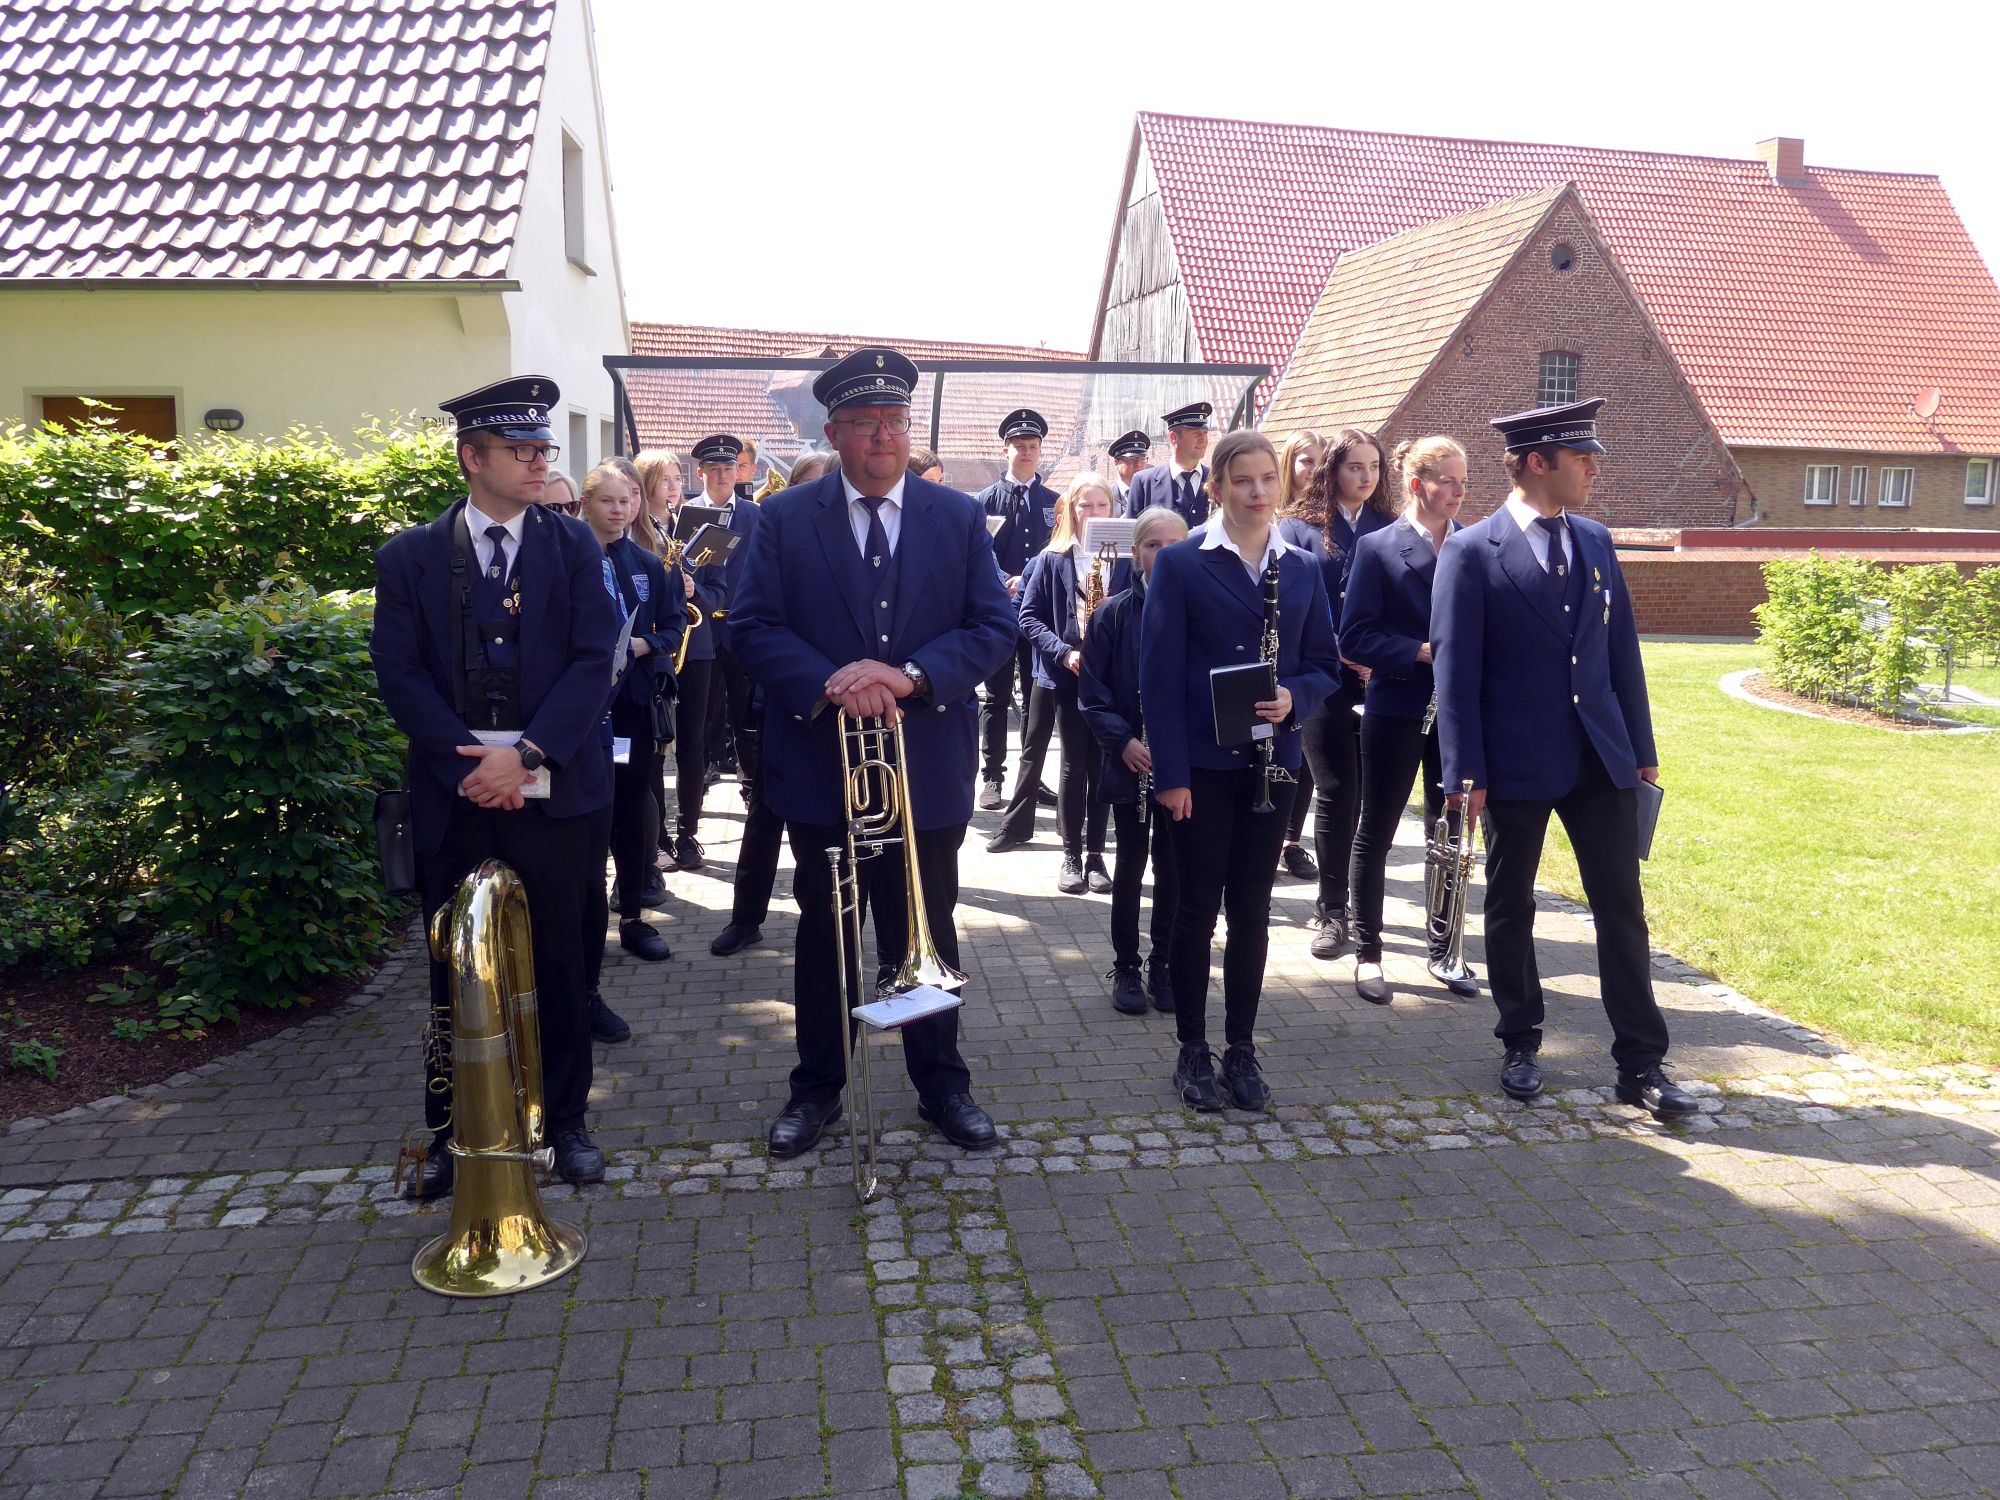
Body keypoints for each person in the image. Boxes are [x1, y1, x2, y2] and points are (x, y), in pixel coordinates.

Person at [730, 347, 1016, 1158]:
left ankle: (942, 1085)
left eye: (895, 420)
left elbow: (992, 627)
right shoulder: (785, 517)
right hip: (822, 767)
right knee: (824, 931)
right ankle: (816, 1088)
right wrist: (833, 683)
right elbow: (751, 626)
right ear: (834, 432)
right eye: (865, 422)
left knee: (924, 927)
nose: (884, 435)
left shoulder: (955, 516)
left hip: (923, 766)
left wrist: (910, 676)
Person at [370, 375, 616, 1196]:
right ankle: (453, 1133)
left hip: (555, 789)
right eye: (522, 449)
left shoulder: (573, 545)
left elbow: (594, 661)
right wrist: (474, 765)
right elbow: (400, 675)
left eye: (544, 447)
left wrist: (531, 754)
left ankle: (567, 1122)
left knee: (563, 961)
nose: (541, 460)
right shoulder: (408, 557)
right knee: (453, 967)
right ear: (472, 459)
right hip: (459, 795)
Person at [1432, 398, 1694, 1121]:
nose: (1592, 470)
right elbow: (1455, 671)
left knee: (1622, 908)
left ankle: (1641, 1063)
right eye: (1580, 458)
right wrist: (1464, 772)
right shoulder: (1471, 551)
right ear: (1535, 463)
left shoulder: (1596, 540)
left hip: (1600, 757)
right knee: (1511, 902)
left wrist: (1641, 751)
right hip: (1514, 760)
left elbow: (1621, 651)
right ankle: (1520, 1040)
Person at [1141, 429, 1341, 1112]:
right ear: (1218, 486)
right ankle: (1192, 1048)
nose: (1257, 492)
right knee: (1196, 910)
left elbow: (1324, 664)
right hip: (1200, 767)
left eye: (1266, 479)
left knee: (1252, 913)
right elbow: (1158, 677)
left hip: (1270, 767)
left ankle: (1242, 1047)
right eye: (1242, 480)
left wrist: (1293, 697)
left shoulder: (1303, 566)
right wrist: (1171, 775)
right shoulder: (1183, 563)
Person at [1339, 435, 1477, 1006]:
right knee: (1377, 828)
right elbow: (1354, 636)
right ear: (1418, 484)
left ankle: (1444, 949)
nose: (1459, 490)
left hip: (1458, 713)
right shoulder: (1377, 547)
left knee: (1449, 834)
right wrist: (1418, 651)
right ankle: (1368, 952)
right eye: (1448, 480)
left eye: (1463, 481)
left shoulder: (1473, 546)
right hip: (1397, 707)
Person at [710, 448, 839, 957]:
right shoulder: (780, 536)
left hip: (829, 712)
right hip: (778, 704)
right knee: (763, 816)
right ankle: (746, 918)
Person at [1291, 428, 1396, 961]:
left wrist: (1382, 652)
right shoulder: (1299, 527)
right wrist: (1340, 649)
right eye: (1356, 466)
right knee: (1335, 791)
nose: (1366, 476)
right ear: (1333, 469)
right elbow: (1294, 606)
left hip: (1382, 678)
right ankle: (1332, 911)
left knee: (1373, 799)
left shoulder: (1392, 528)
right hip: (1324, 678)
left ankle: (1363, 907)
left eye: (1374, 467)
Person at [576, 463, 682, 987]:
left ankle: (634, 916)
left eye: (628, 500)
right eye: (608, 501)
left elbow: (675, 625)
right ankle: (583, 919)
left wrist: (646, 644)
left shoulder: (646, 563)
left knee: (632, 807)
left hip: (632, 707)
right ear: (586, 503)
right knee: (589, 813)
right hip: (580, 711)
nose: (620, 510)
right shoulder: (568, 558)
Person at [985, 474, 1116, 892]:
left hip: (1110, 678)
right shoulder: (1051, 559)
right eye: (1084, 505)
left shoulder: (1125, 560)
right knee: (1074, 765)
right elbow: (1028, 617)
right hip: (1066, 674)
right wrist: (1064, 652)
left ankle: (1096, 855)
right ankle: (1071, 854)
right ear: (1070, 510)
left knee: (1102, 765)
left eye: (1101, 505)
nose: (1093, 513)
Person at [1080, 504, 1186, 1013]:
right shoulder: (1112, 613)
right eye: (1152, 545)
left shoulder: (1200, 611)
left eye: (1172, 546)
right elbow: (1092, 695)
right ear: (1135, 551)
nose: (1162, 555)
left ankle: (1163, 962)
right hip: (1131, 759)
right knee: (1130, 862)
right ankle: (1126, 963)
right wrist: (1122, 741)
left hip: (1181, 762)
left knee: (1173, 866)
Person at [974, 409, 1058, 811]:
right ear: (1005, 449)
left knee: (1035, 698)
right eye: (1019, 446)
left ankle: (1032, 777)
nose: (1026, 452)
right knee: (996, 696)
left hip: (1038, 613)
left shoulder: (1054, 502)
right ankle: (992, 776)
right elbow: (977, 552)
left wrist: (1030, 578)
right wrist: (1004, 578)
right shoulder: (984, 501)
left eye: (1033, 446)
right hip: (999, 612)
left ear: (1040, 451)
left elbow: (1060, 548)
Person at [667, 434, 740, 870]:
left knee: (705, 736)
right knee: (667, 742)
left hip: (715, 638)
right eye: (663, 482)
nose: (722, 475)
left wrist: (699, 592)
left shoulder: (745, 516)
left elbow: (723, 585)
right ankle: (657, 839)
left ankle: (689, 831)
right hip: (670, 643)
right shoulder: (668, 524)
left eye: (673, 481)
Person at [1272, 431, 1327, 883]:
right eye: (1305, 460)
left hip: (1312, 652)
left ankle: (1291, 839)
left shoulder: (1325, 519)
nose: (1314, 469)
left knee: (1304, 755)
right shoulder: (1276, 517)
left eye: (1321, 461)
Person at [1122, 402, 1212, 528]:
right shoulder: (1145, 483)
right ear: (1173, 437)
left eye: (1205, 433)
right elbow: (1132, 533)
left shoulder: (1216, 479)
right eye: (1196, 434)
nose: (1203, 440)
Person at [1107, 429, 1151, 512]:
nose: (1138, 464)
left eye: (1142, 458)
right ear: (1116, 462)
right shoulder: (1107, 497)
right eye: (1131, 458)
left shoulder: (1154, 495)